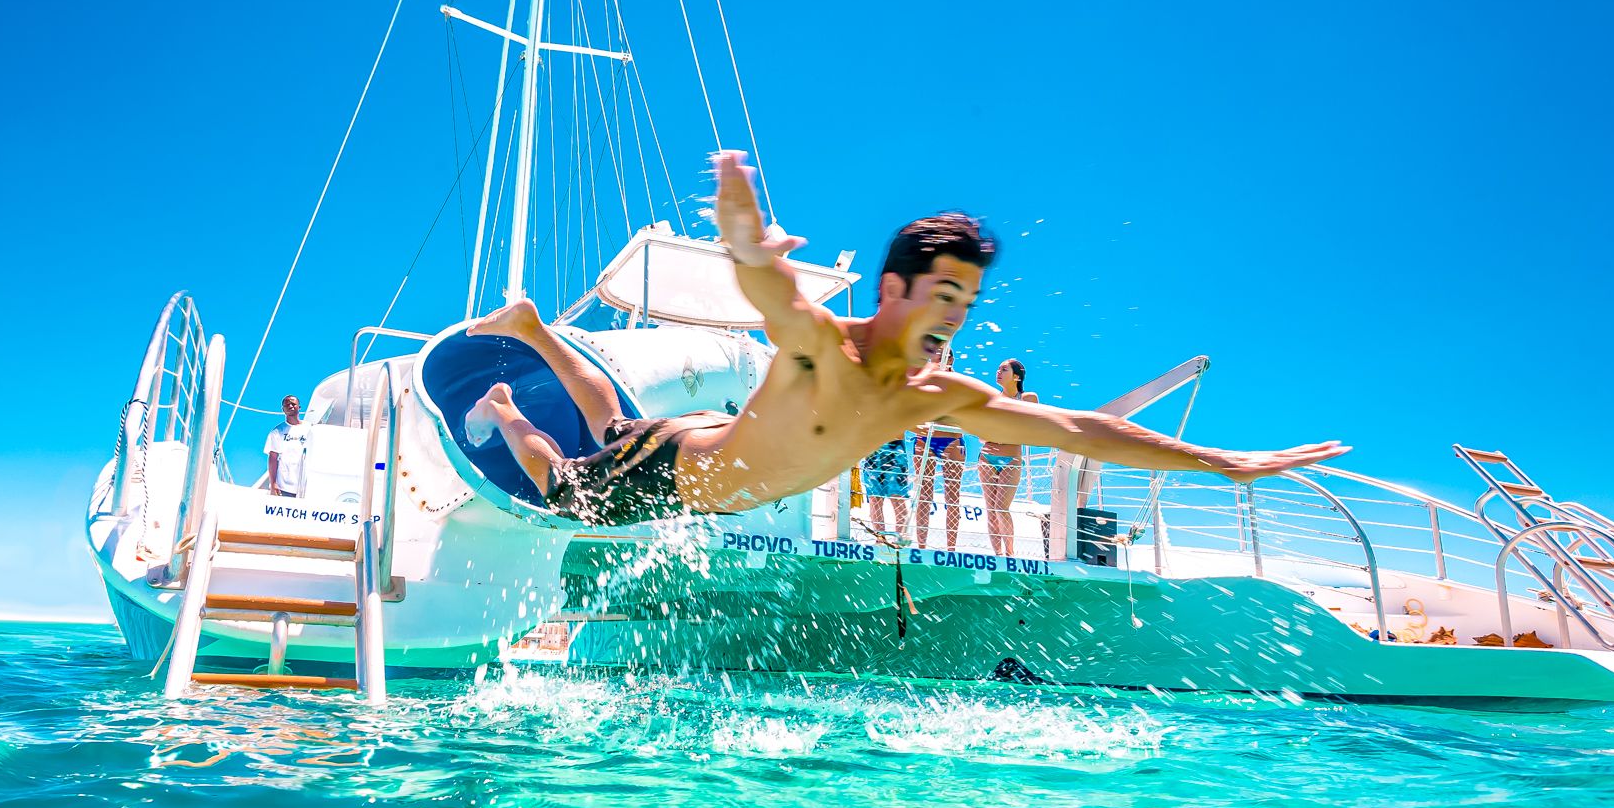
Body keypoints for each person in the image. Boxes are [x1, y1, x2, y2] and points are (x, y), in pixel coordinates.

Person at [460, 151, 1345, 528]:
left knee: (615, 422)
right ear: (893, 290)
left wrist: (1221, 462)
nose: (956, 316)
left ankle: (535, 327)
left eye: (968, 298)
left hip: (691, 452)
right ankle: (503, 406)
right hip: (678, 474)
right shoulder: (823, 349)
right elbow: (774, 300)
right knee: (561, 479)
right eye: (944, 294)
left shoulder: (938, 397)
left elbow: (1078, 430)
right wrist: (742, 239)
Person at [979, 359, 1036, 555]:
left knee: (1001, 507)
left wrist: (999, 433)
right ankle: (998, 555)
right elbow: (981, 436)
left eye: (1004, 369)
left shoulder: (1028, 398)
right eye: (998, 368)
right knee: (991, 510)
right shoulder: (991, 400)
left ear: (1016, 376)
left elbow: (1030, 429)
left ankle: (1010, 554)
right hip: (987, 457)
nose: (998, 372)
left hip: (1011, 459)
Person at [861, 437, 910, 541]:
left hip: (895, 451)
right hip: (873, 452)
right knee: (875, 499)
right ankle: (880, 540)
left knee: (897, 499)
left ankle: (900, 541)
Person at [264, 395, 310, 497]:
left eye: (293, 404)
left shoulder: (310, 428)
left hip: (306, 486)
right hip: (284, 487)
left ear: (299, 407)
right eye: (287, 404)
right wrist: (273, 484)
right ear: (283, 409)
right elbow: (273, 458)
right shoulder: (277, 432)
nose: (290, 406)